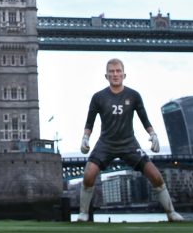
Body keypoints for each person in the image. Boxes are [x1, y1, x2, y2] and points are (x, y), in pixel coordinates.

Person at [78, 58, 183, 223]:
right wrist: (85, 138)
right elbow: (89, 122)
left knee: (155, 176)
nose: (115, 74)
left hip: (129, 143)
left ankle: (171, 212)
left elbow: (144, 119)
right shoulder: (98, 97)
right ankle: (83, 213)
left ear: (124, 74)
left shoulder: (134, 96)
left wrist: (153, 134)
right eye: (111, 72)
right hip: (106, 143)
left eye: (118, 71)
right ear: (106, 76)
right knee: (88, 175)